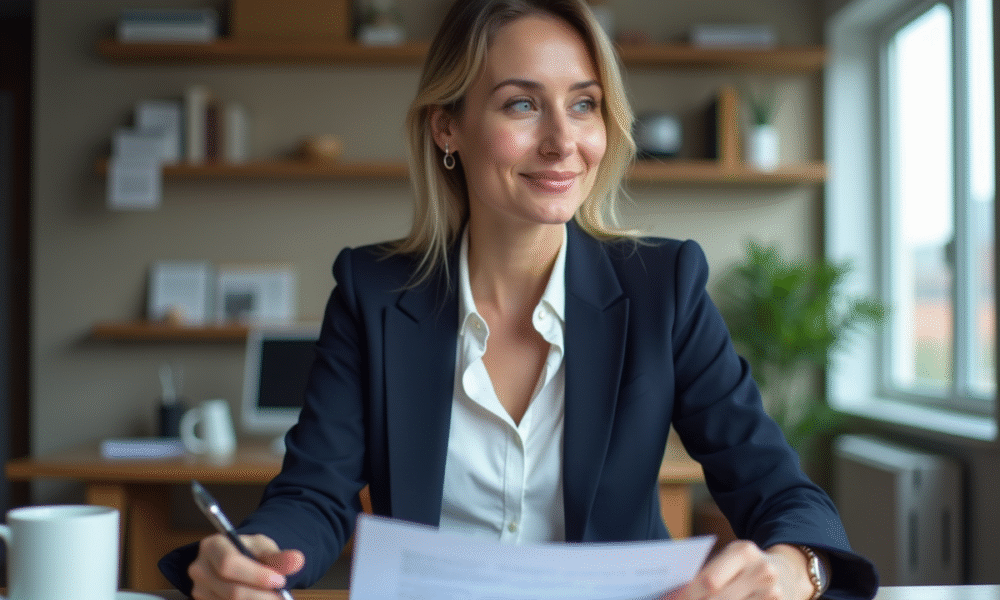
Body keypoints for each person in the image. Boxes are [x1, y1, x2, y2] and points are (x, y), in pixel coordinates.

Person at [159, 1, 879, 599]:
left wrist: (795, 570)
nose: (564, 141)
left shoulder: (665, 288)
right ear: (448, 126)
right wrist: (256, 555)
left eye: (585, 105)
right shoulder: (372, 293)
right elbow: (316, 496)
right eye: (523, 104)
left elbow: (780, 492)